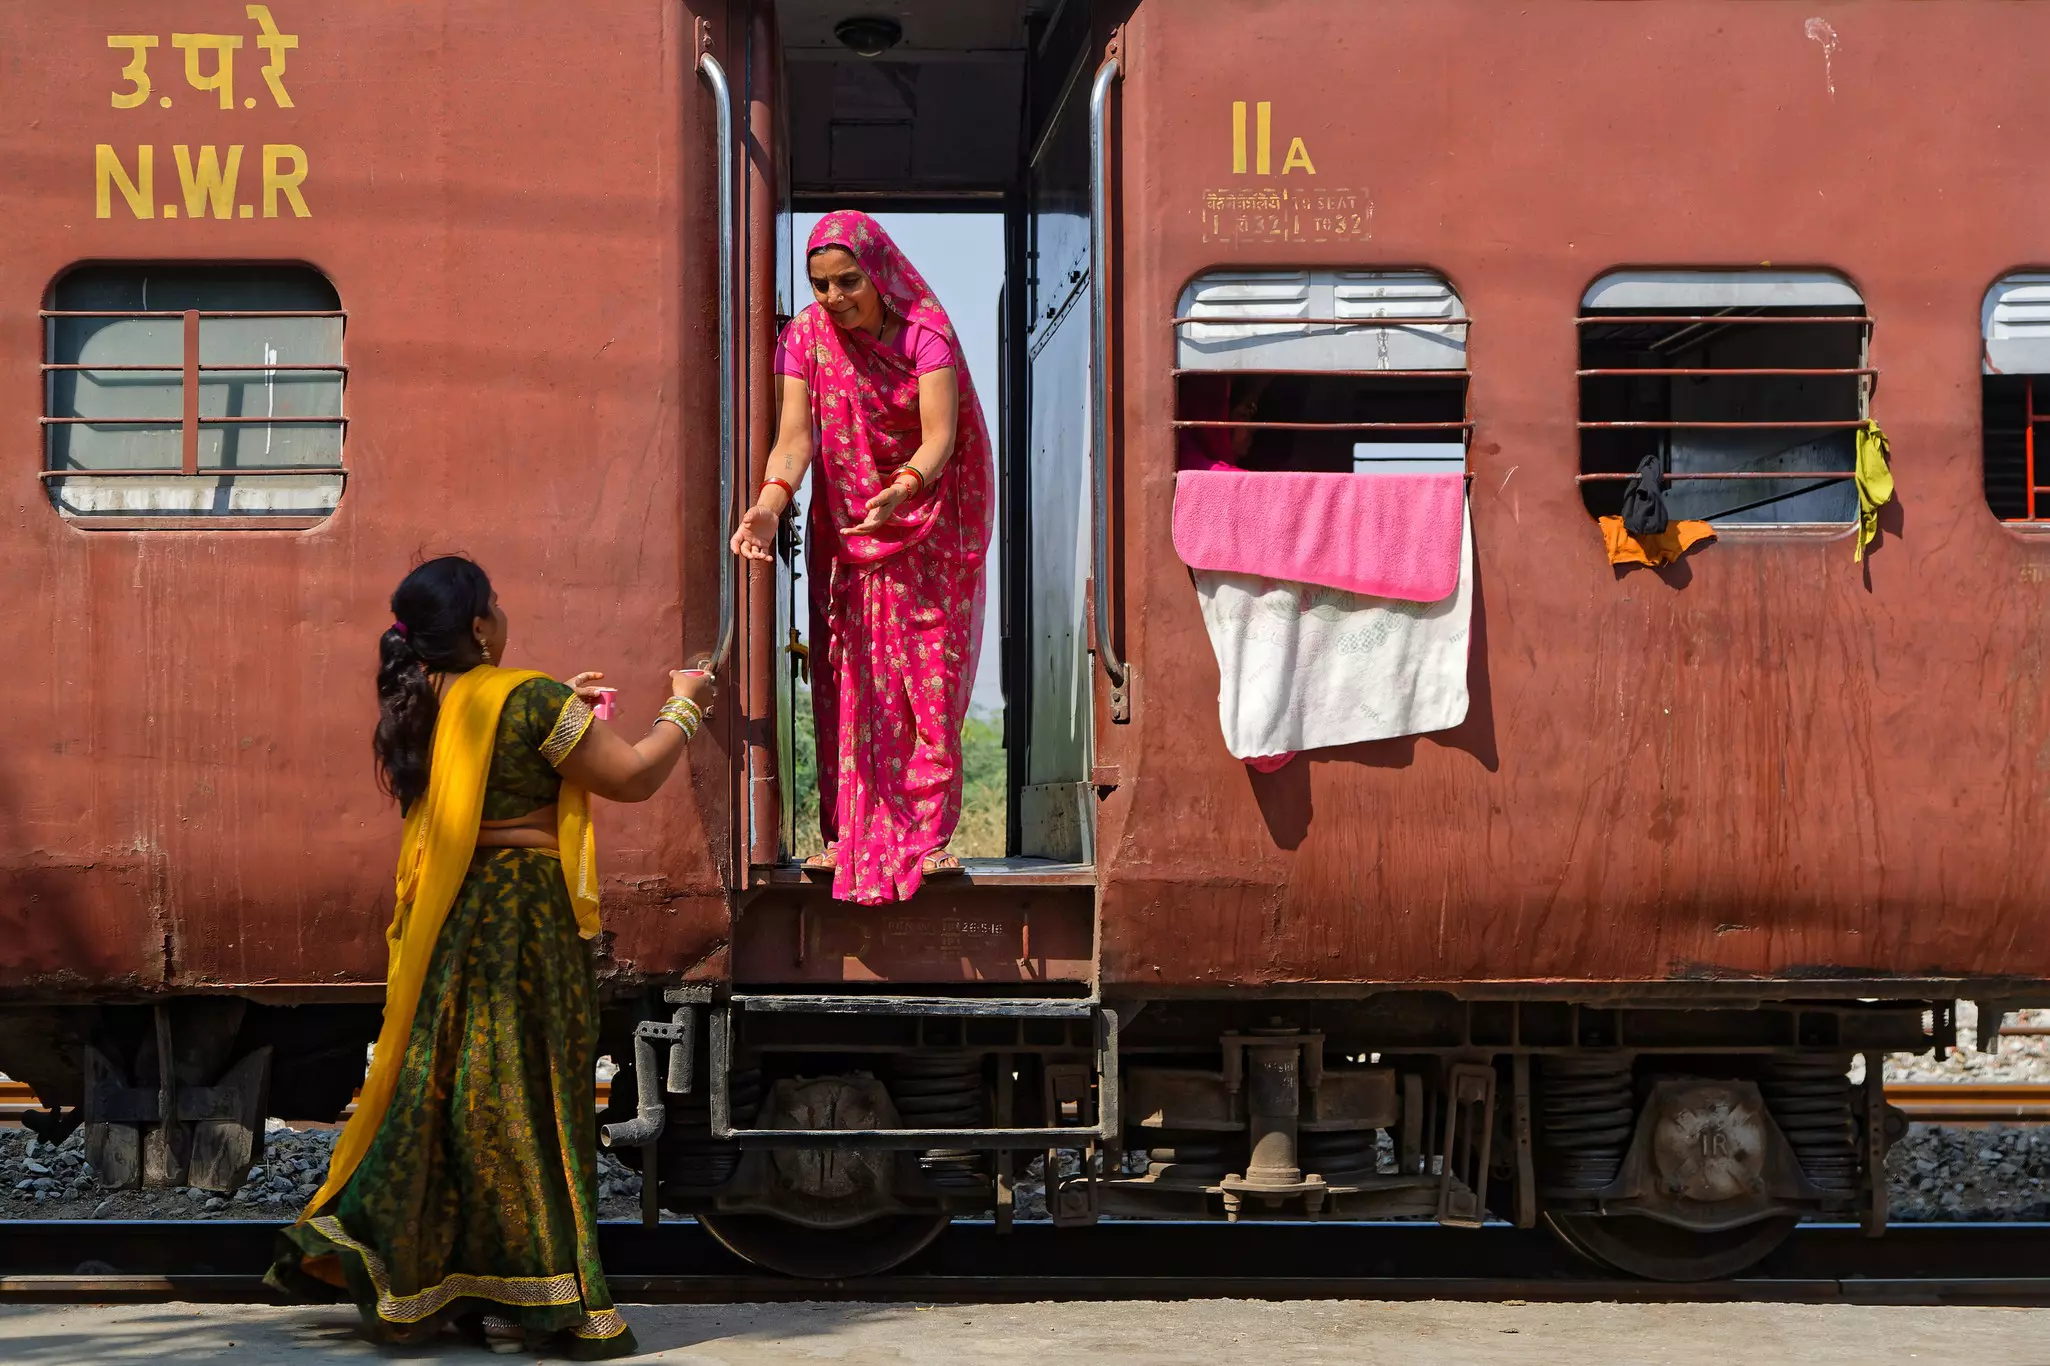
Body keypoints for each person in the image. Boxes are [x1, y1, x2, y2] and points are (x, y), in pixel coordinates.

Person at [266, 555, 716, 1358]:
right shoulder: (528, 699)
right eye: (496, 605)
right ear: (479, 627)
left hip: (452, 924)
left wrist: (562, 709)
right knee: (536, 1100)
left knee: (457, 1098)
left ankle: (439, 1286)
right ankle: (550, 1301)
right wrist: (683, 710)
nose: (504, 615)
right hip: (524, 924)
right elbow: (634, 777)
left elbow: (492, 765)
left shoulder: (421, 702)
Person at [731, 211, 994, 905]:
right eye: (819, 284)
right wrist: (769, 502)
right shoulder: (805, 340)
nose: (834, 298)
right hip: (848, 529)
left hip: (927, 523)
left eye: (848, 281)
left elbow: (941, 436)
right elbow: (795, 441)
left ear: (878, 271)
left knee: (927, 676)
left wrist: (902, 485)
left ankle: (929, 839)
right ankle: (847, 834)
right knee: (850, 673)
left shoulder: (925, 331)